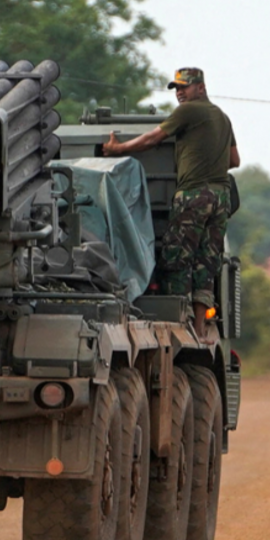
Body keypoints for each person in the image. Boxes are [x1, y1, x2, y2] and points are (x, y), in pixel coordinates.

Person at [102, 67, 239, 341]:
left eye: (184, 87)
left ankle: (180, 325)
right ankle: (199, 327)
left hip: (193, 194)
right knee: (206, 261)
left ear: (201, 88)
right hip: (220, 197)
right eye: (176, 88)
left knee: (176, 259)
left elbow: (153, 138)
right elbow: (234, 160)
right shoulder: (222, 117)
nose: (179, 93)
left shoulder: (189, 111)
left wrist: (118, 149)